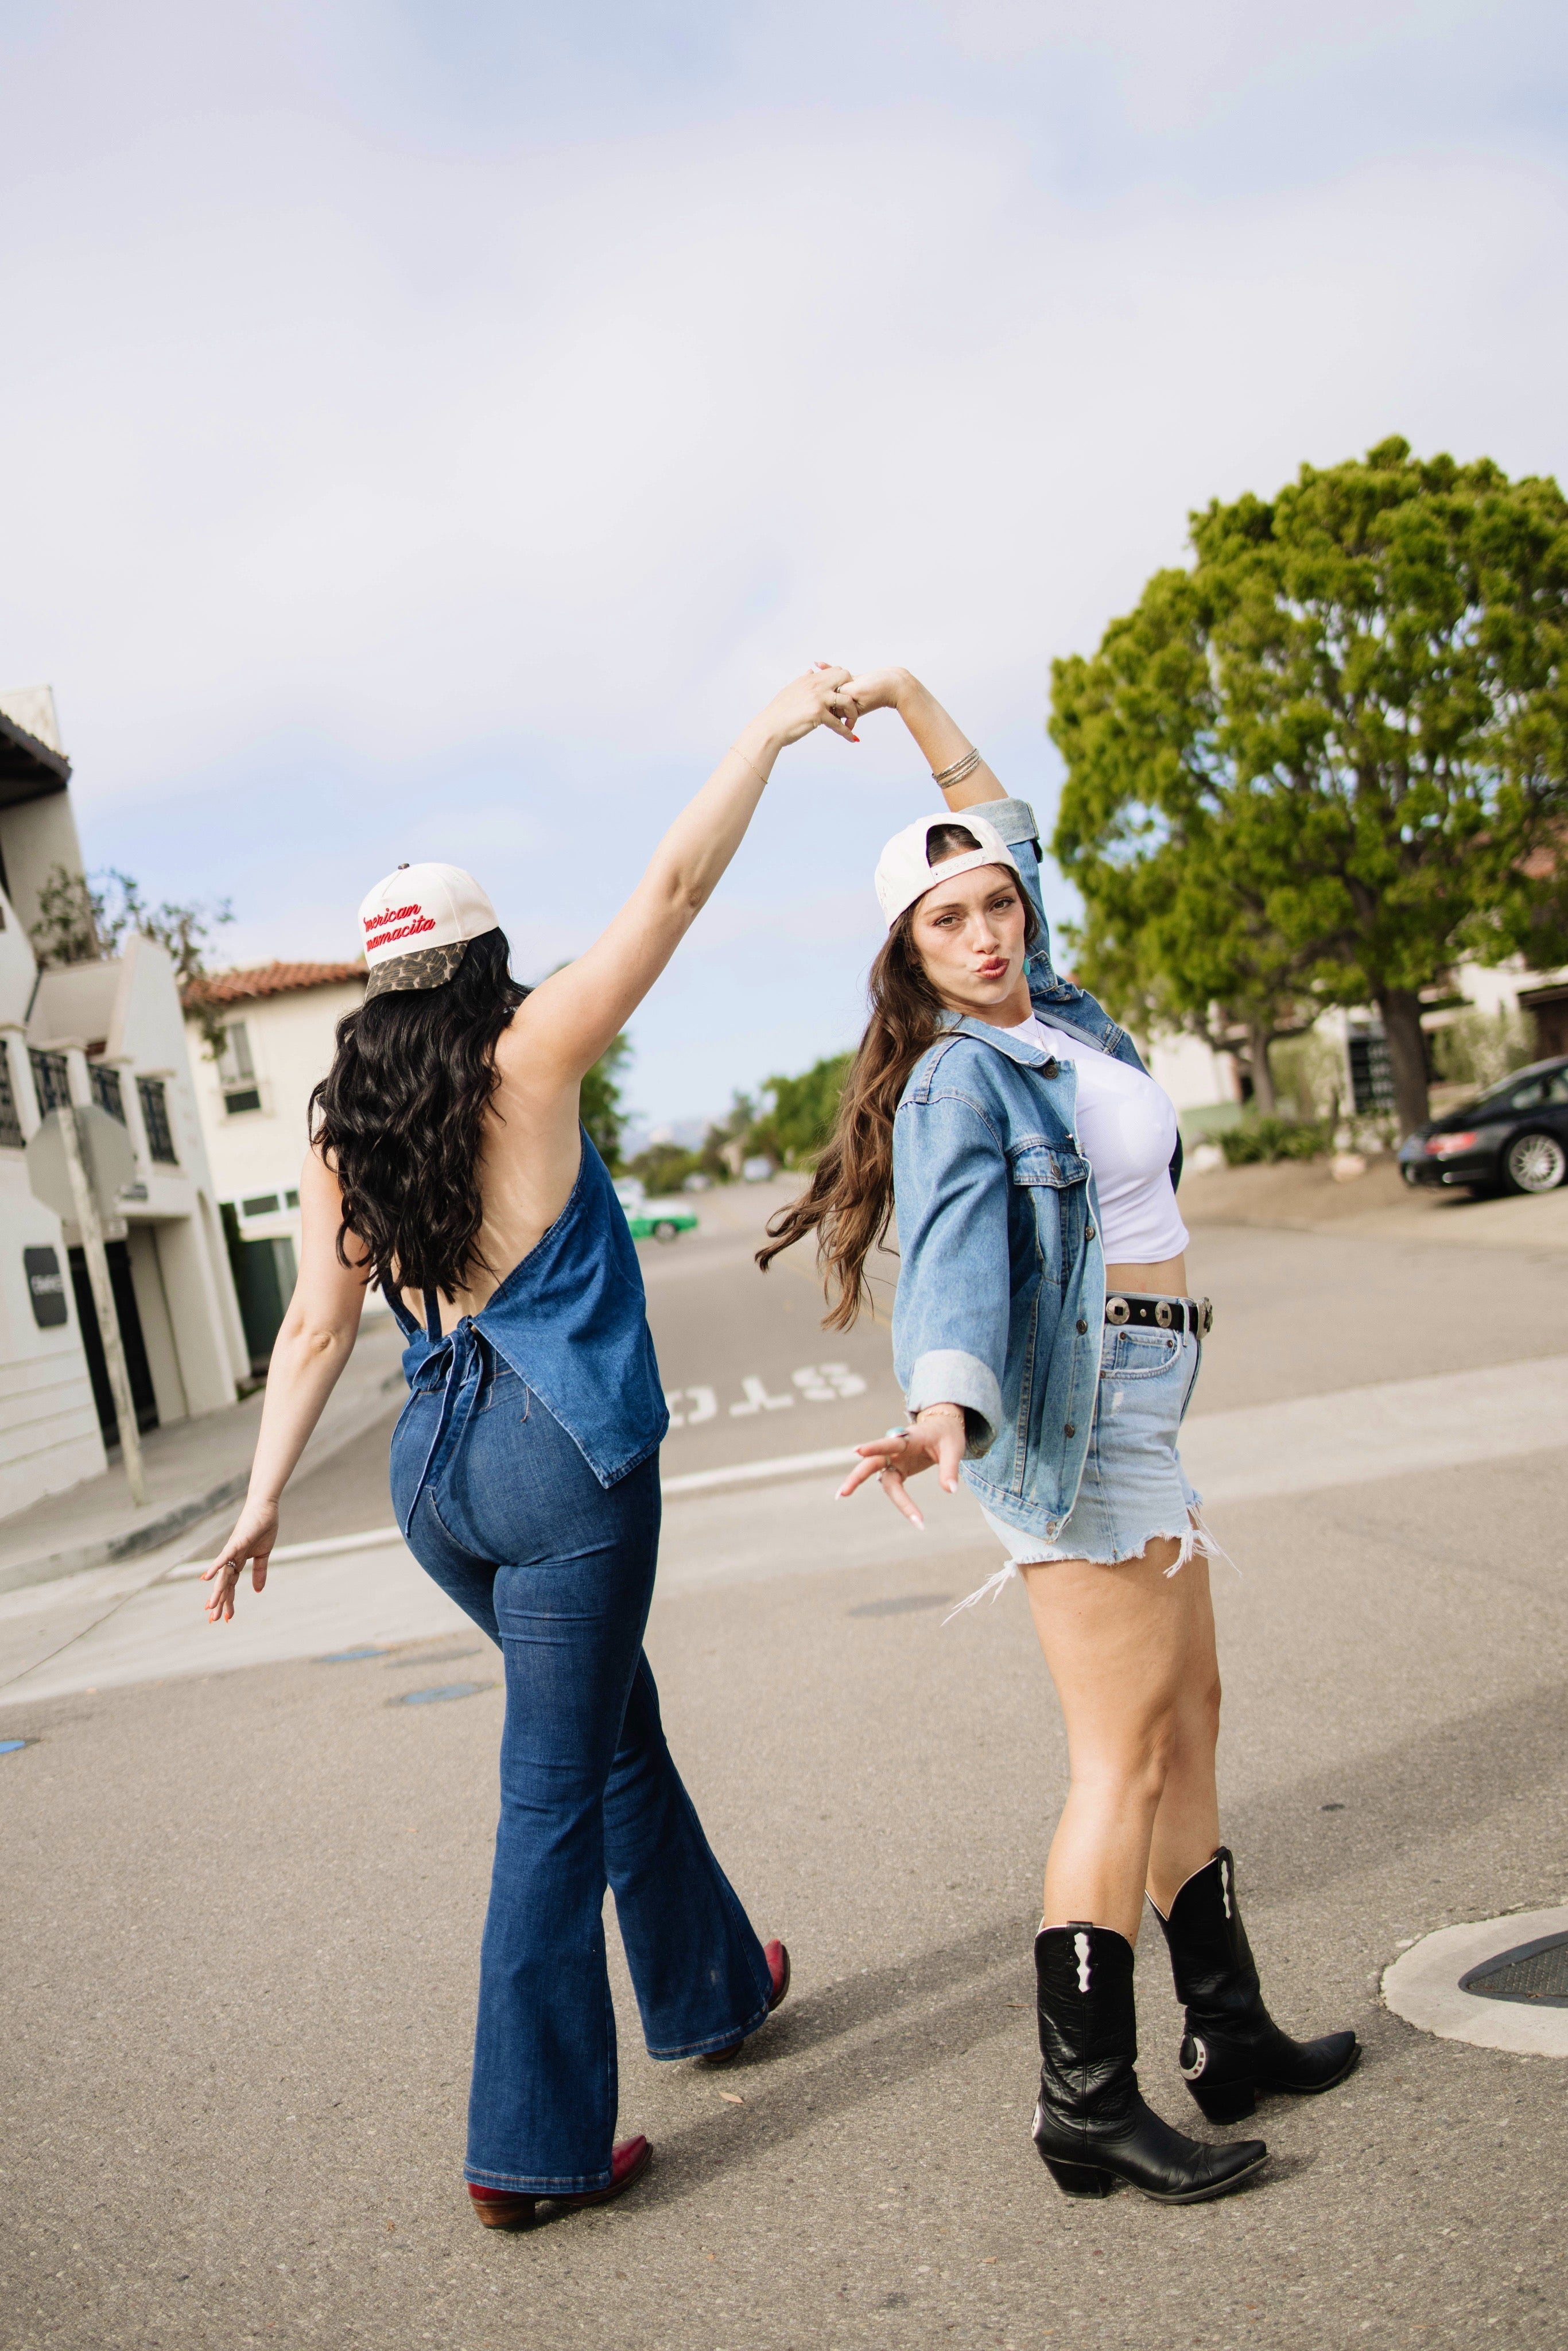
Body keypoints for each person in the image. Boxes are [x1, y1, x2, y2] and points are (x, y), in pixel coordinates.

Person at [200, 666, 860, 2226]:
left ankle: (708, 1990)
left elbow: (313, 1331)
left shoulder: (340, 1123)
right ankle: (528, 2149)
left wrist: (263, 1498)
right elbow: (678, 885)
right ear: (487, 955)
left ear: (374, 982)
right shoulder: (534, 1051)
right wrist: (765, 730)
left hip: (434, 1478)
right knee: (551, 1795)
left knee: (603, 1728)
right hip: (561, 1467)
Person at [762, 667, 1358, 2208]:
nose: (984, 931)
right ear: (908, 955)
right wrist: (938, 1409)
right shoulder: (960, 1079)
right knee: (1116, 1763)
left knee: (1193, 1718)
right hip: (1074, 1426)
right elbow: (955, 1255)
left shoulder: (1060, 1011)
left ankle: (1225, 2035)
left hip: (1150, 1399)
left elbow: (1004, 820)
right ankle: (1082, 2101)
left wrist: (901, 697)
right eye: (947, 921)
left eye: (993, 905)